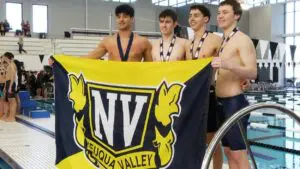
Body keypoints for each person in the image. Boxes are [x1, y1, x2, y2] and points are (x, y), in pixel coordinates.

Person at [212, 0, 257, 168]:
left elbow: (252, 72)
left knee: (238, 153)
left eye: (225, 12)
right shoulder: (223, 40)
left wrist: (228, 65)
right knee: (229, 152)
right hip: (221, 102)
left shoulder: (242, 40)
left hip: (234, 102)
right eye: (219, 13)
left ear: (236, 15)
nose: (220, 16)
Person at [186, 4, 223, 169]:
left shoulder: (215, 39)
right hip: (193, 96)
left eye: (196, 15)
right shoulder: (188, 44)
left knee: (213, 140)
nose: (191, 19)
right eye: (190, 15)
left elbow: (226, 62)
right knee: (195, 140)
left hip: (209, 94)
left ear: (206, 19)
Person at [83, 4, 152, 61]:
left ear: (132, 19)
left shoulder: (143, 42)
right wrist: (72, 61)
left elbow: (150, 67)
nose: (121, 19)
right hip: (112, 77)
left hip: (134, 77)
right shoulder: (108, 41)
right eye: (118, 17)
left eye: (125, 16)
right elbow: (90, 57)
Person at [2, 52, 18, 122]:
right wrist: (5, 87)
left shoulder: (12, 64)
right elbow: (7, 77)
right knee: (10, 101)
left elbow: (13, 77)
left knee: (12, 101)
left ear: (7, 57)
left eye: (4, 56)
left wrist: (10, 86)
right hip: (8, 83)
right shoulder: (9, 65)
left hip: (11, 83)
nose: (3, 58)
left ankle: (12, 117)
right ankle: (10, 116)